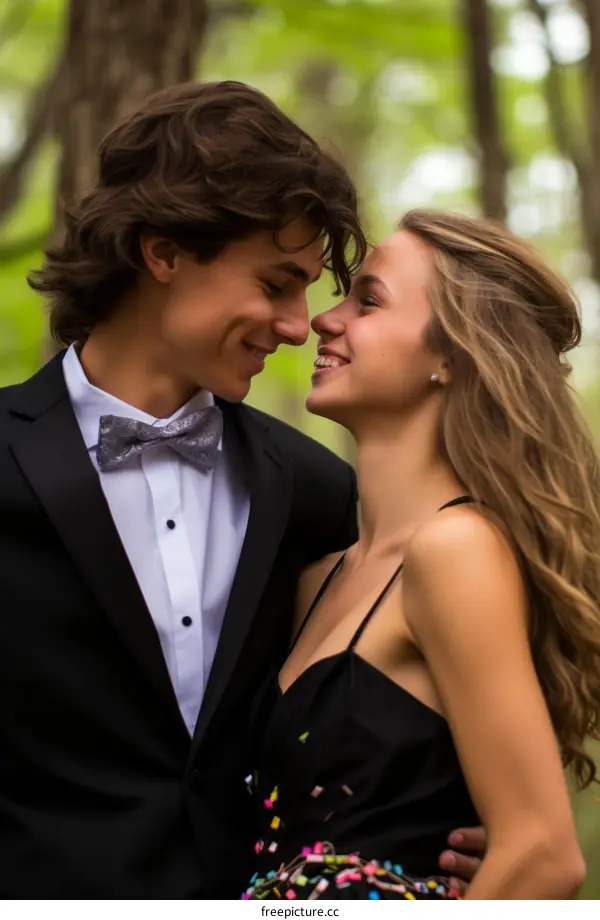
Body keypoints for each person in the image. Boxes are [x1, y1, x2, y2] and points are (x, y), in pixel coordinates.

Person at [0, 83, 482, 898]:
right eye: (276, 284)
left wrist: (445, 848)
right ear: (164, 252)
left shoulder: (320, 492)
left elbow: (352, 740)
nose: (301, 325)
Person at [244, 209, 600, 900]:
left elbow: (542, 854)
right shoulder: (319, 576)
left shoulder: (456, 551)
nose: (324, 319)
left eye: (367, 300)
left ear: (453, 356)